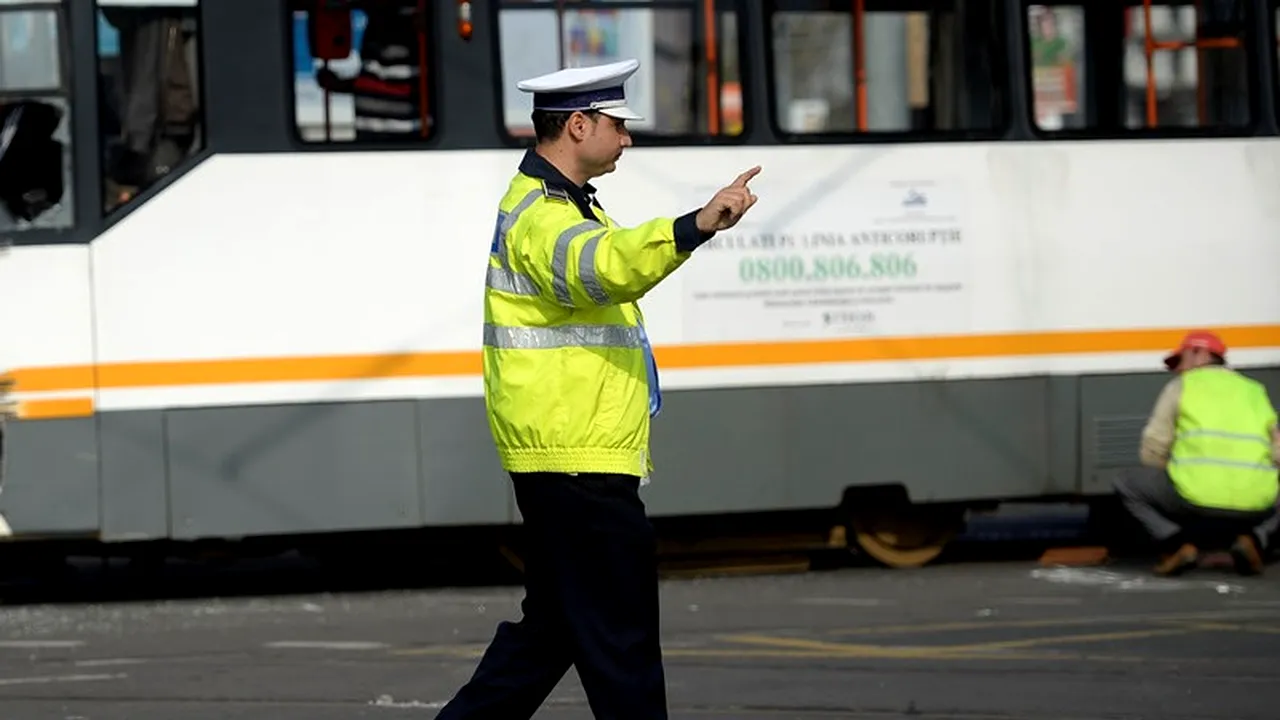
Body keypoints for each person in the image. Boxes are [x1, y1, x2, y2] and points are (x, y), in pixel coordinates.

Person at [433, 58, 759, 720]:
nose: (627, 139)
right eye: (618, 124)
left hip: (568, 453)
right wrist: (692, 225)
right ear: (578, 126)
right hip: (577, 459)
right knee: (622, 643)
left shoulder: (561, 204)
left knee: (551, 635)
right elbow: (600, 270)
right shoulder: (543, 217)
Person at [1114, 330, 1280, 577]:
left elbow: (1152, 450)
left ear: (1200, 354)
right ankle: (1256, 540)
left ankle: (1177, 545)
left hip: (1192, 496)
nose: (1178, 369)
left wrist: (1172, 472)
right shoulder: (1254, 390)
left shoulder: (1182, 386)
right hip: (1257, 499)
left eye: (1180, 361)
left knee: (1126, 483)